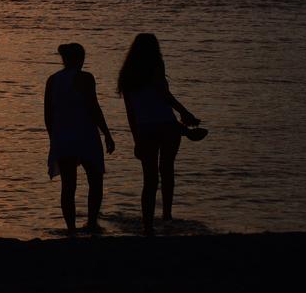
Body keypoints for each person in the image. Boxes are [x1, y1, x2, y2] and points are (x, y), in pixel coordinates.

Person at [118, 33, 208, 236]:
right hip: (166, 125)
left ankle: (147, 226)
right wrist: (185, 112)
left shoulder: (127, 75)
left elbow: (130, 112)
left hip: (146, 129)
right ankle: (167, 216)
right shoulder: (156, 66)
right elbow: (165, 96)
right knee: (167, 171)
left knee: (149, 179)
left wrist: (136, 139)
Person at [44, 42, 115, 234]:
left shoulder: (52, 80)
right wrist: (107, 134)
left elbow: (48, 114)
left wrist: (54, 138)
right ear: (80, 59)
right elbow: (94, 107)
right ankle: (92, 223)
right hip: (85, 135)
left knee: (68, 186)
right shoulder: (85, 78)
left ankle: (71, 229)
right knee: (95, 180)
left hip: (63, 137)